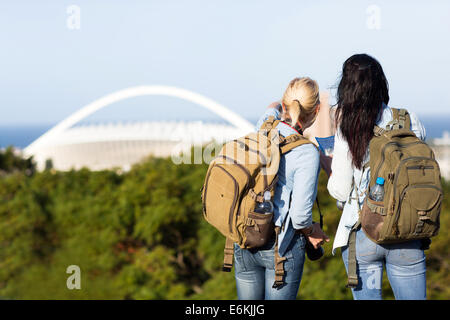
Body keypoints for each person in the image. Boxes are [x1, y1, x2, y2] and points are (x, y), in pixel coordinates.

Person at [324, 54, 427, 300]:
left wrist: (326, 165)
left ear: (346, 87)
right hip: (407, 232)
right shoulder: (409, 119)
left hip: (365, 231)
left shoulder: (346, 128)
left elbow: (339, 190)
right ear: (381, 82)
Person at [234, 77, 330, 300]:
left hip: (245, 237)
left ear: (285, 105)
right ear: (316, 111)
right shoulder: (307, 153)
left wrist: (283, 105)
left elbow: (271, 107)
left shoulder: (263, 127)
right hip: (281, 247)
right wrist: (312, 232)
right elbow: (299, 218)